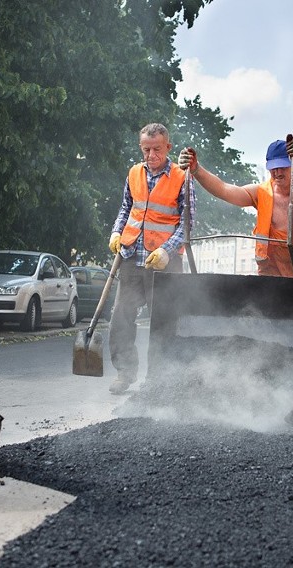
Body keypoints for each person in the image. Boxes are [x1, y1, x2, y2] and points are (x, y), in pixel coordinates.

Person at [107, 123, 194, 394]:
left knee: (164, 320)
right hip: (132, 256)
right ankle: (124, 373)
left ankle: (157, 379)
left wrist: (167, 251)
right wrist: (116, 232)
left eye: (157, 149)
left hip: (165, 264)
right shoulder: (134, 173)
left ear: (167, 146)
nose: (151, 155)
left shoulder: (182, 176)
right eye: (146, 149)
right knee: (121, 315)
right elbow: (126, 208)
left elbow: (188, 223)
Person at [178, 136, 293, 278]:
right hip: (271, 280)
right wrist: (196, 169)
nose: (278, 173)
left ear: (292, 164)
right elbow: (224, 190)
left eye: (283, 167)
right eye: (273, 168)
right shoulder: (261, 193)